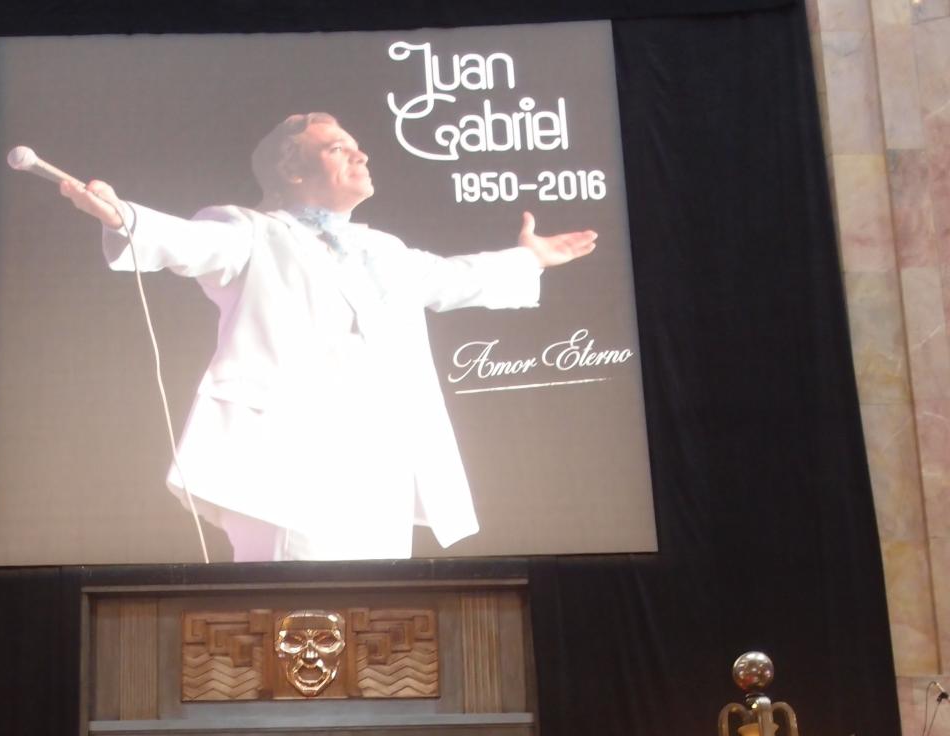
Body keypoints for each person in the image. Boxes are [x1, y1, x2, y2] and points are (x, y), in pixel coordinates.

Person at [60, 113, 597, 562]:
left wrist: (532, 258)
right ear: (291, 169)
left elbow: (450, 277)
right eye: (339, 148)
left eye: (358, 148)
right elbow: (191, 242)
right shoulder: (251, 230)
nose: (360, 156)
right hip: (284, 461)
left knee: (379, 616)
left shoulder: (380, 248)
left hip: (380, 463)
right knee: (289, 613)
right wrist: (124, 217)